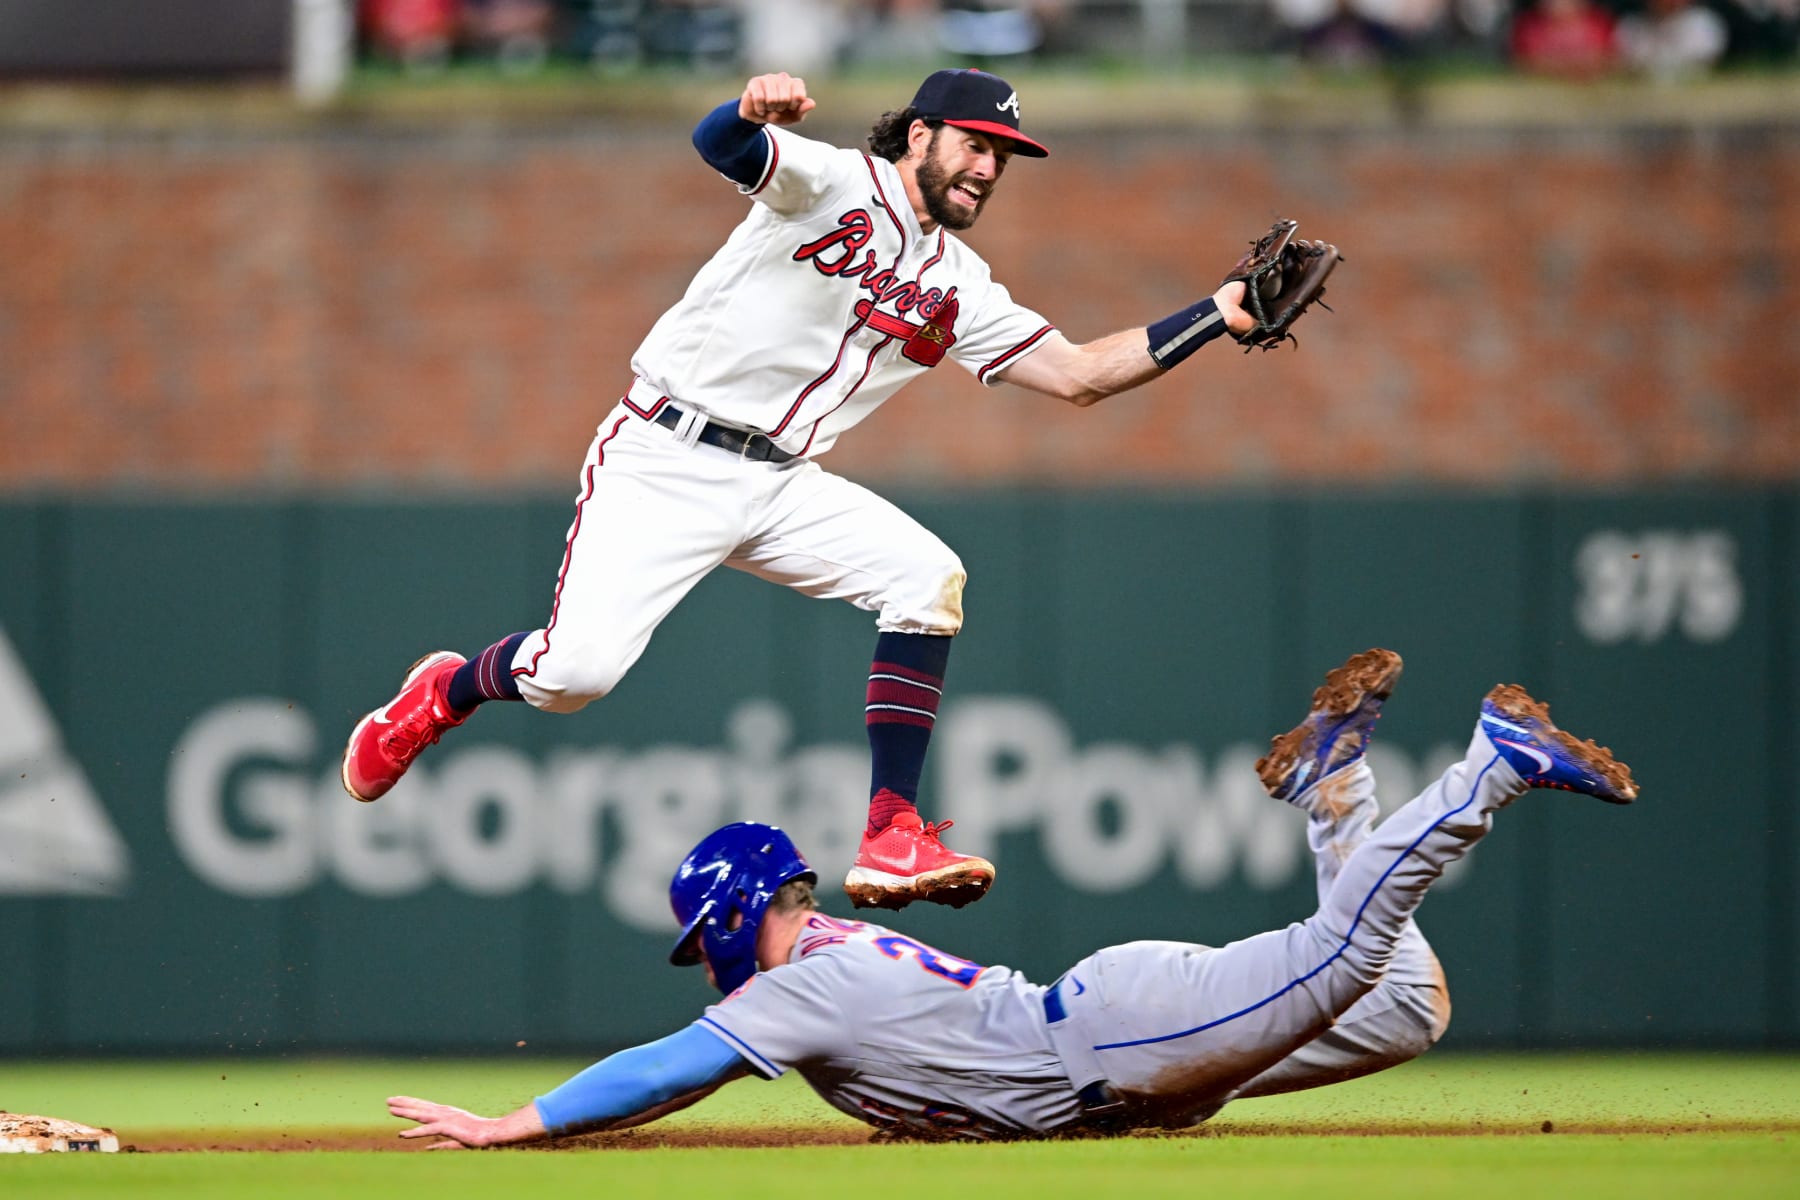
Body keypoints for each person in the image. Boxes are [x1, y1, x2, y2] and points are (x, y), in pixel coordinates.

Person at [340, 67, 1266, 912]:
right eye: (976, 143)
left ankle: (892, 831)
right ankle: (446, 691)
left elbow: (1079, 375)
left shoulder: (963, 286)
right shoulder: (832, 182)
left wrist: (1216, 317)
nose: (989, 166)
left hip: (784, 480)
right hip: (667, 455)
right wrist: (748, 110)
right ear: (921, 135)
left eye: (1003, 155)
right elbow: (726, 149)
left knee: (926, 579)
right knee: (574, 676)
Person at [384, 648, 1638, 1145]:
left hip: (1111, 1042)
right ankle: (1334, 793)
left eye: (712, 931)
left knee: (1343, 958)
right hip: (1126, 1067)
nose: (709, 956)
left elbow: (669, 1067)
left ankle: (1486, 770)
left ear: (749, 906)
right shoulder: (819, 967)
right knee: (1405, 1003)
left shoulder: (803, 980)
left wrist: (519, 1125)